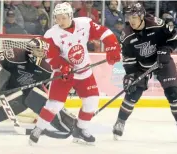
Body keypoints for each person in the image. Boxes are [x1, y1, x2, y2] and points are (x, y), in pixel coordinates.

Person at [29, 2, 121, 145]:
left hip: (84, 71)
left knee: (91, 102)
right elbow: (51, 56)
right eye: (57, 18)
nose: (60, 21)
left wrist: (113, 47)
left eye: (63, 18)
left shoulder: (84, 23)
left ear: (71, 16)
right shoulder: (51, 34)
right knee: (54, 105)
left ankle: (80, 130)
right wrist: (63, 66)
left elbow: (105, 32)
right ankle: (38, 129)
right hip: (63, 74)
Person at [0, 37, 77, 135]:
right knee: (11, 102)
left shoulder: (47, 67)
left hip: (26, 97)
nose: (42, 54)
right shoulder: (16, 54)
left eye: (43, 52)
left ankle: (68, 122)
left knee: (40, 98)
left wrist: (66, 84)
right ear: (30, 50)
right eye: (39, 51)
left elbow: (52, 89)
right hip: (6, 90)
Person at [112, 3, 177, 139]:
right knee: (133, 92)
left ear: (142, 16)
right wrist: (130, 75)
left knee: (173, 92)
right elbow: (128, 59)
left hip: (162, 60)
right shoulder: (126, 35)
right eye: (128, 17)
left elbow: (175, 37)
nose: (131, 20)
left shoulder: (157, 24)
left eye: (134, 17)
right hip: (141, 65)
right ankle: (120, 121)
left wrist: (166, 50)